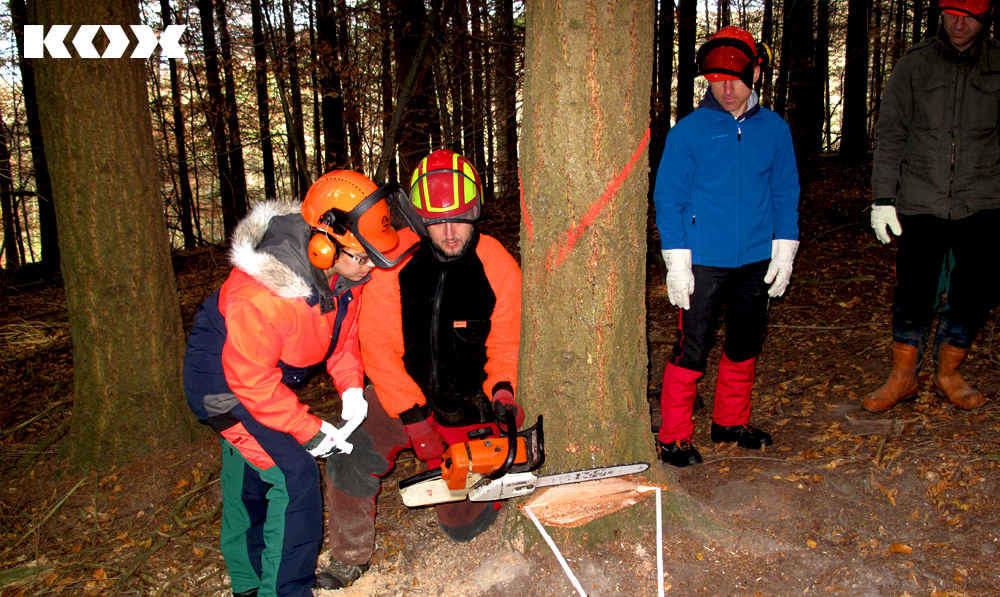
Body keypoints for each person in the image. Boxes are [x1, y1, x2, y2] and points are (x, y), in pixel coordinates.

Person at [183, 171, 403, 597]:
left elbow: (342, 339)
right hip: (224, 385)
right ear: (324, 245)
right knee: (293, 475)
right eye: (363, 257)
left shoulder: (345, 275)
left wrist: (351, 386)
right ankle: (284, 590)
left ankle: (249, 583)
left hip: (261, 375)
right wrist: (308, 430)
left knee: (251, 476)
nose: (371, 266)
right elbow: (252, 382)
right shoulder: (260, 296)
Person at [318, 149, 522, 589]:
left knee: (463, 526)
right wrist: (413, 417)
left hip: (467, 404)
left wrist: (502, 393)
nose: (449, 233)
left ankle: (482, 497)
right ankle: (349, 557)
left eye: (459, 221)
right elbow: (378, 347)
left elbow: (506, 344)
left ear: (475, 213)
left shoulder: (497, 265)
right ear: (419, 219)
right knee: (349, 450)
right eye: (437, 222)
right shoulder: (394, 261)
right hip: (400, 394)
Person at [652, 26, 801, 468]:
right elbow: (669, 198)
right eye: (717, 80)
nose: (727, 89)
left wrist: (784, 250)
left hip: (756, 258)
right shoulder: (689, 132)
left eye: (735, 79)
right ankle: (673, 436)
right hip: (703, 260)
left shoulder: (774, 130)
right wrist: (677, 261)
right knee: (692, 347)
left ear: (755, 73)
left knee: (745, 341)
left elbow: (784, 192)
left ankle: (730, 422)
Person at [865, 0, 1000, 412]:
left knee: (973, 291)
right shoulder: (915, 63)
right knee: (913, 290)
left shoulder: (996, 63)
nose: (959, 23)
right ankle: (903, 377)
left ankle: (948, 373)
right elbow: (891, 133)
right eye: (952, 13)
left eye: (969, 15)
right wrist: (883, 198)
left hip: (984, 199)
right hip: (921, 198)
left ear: (985, 17)